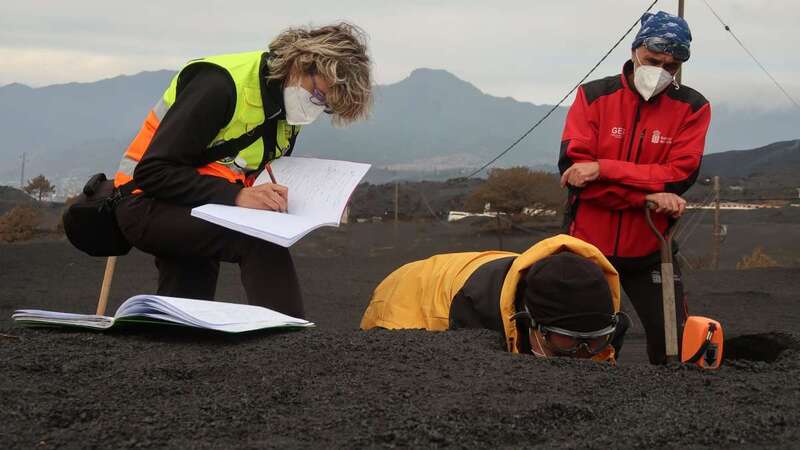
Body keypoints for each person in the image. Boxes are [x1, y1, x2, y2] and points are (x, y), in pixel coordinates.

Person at [112, 23, 373, 318]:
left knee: (185, 312)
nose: (316, 108)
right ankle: (289, 346)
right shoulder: (220, 85)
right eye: (318, 95)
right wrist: (238, 196)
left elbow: (251, 172)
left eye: (325, 106)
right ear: (302, 64)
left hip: (198, 203)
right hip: (143, 201)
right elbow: (153, 172)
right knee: (260, 240)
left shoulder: (285, 110)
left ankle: (173, 350)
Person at [558, 11, 711, 364]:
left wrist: (603, 169)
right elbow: (574, 175)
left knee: (672, 343)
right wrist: (647, 196)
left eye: (671, 66)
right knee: (581, 341)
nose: (660, 70)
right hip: (587, 248)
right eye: (653, 60)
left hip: (651, 249)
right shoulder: (594, 95)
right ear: (634, 50)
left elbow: (677, 177)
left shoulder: (692, 107)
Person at [361, 235, 629, 363]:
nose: (580, 355)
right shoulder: (472, 312)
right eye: (565, 342)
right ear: (528, 322)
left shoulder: (596, 302)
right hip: (407, 295)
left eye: (594, 341)